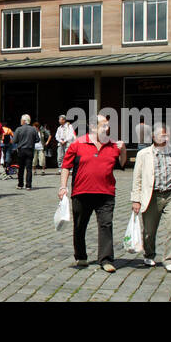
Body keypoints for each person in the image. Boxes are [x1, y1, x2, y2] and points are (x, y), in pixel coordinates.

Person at [59, 113, 126, 272]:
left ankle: (106, 259)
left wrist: (123, 150)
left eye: (108, 125)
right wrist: (63, 186)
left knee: (106, 225)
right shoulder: (78, 144)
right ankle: (81, 256)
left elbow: (122, 164)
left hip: (106, 193)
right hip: (82, 192)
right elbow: (66, 167)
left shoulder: (112, 145)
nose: (107, 128)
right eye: (104, 125)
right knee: (80, 226)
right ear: (93, 127)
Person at [130, 125, 171, 273]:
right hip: (152, 195)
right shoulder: (144, 154)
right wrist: (136, 199)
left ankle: (169, 259)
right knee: (149, 231)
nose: (165, 138)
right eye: (161, 135)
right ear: (153, 137)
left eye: (167, 135)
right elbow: (137, 178)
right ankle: (149, 254)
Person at [13, 115, 40, 190]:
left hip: (21, 150)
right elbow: (38, 140)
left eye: (21, 120)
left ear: (24, 121)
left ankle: (20, 184)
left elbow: (14, 140)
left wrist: (20, 141)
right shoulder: (33, 129)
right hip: (30, 150)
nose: (20, 121)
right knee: (29, 168)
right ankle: (28, 185)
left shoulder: (18, 129)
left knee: (21, 168)